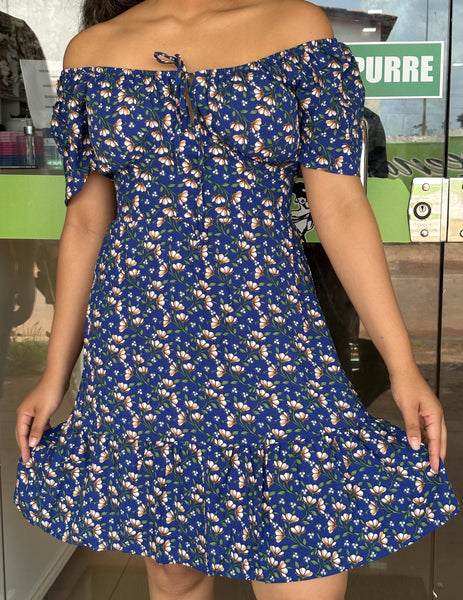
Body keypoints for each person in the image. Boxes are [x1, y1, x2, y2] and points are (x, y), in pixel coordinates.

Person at [13, 2, 459, 600]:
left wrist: (403, 368)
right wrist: (55, 374)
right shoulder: (92, 52)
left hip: (270, 331)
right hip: (145, 339)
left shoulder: (297, 29)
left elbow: (340, 206)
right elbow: (87, 223)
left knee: (306, 568)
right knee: (174, 574)